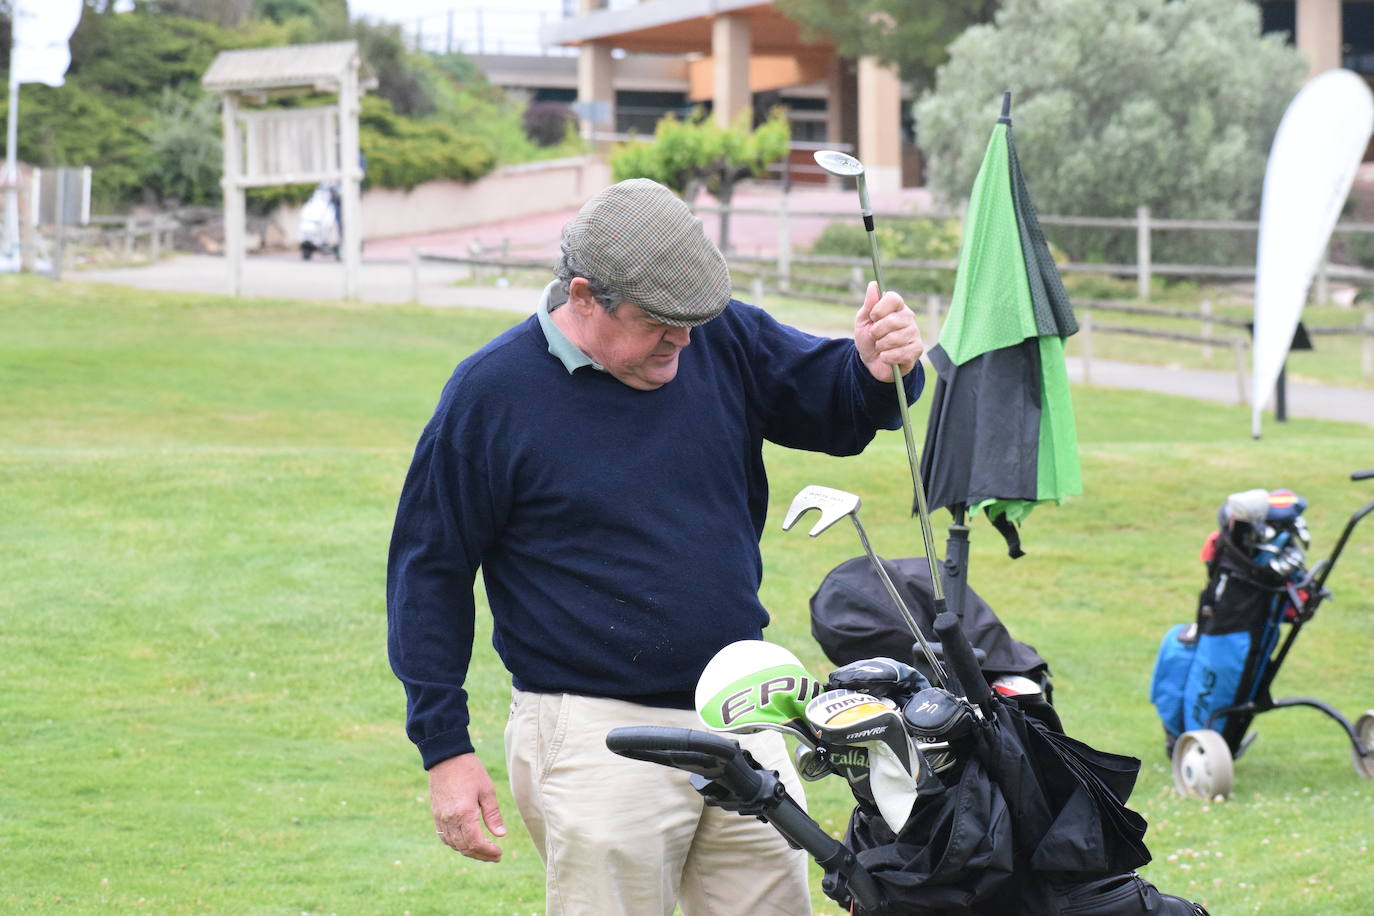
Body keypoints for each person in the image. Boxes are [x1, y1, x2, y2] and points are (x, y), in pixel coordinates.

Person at [387, 178, 926, 915]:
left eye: (692, 320)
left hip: (745, 716)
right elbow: (430, 573)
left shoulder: (717, 335)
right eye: (658, 322)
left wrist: (871, 364)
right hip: (593, 734)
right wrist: (444, 748)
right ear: (583, 297)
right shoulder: (491, 394)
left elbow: (830, 402)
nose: (683, 339)